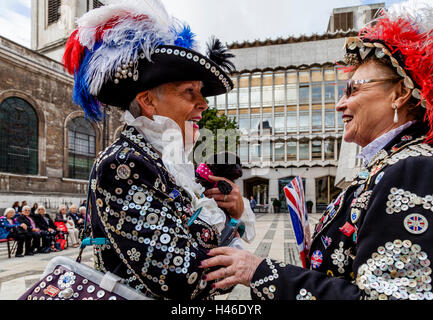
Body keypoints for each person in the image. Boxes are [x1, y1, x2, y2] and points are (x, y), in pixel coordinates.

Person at [201, 2, 433, 300]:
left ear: (400, 93)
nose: (340, 103)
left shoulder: (412, 169)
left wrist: (260, 271)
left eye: (353, 89)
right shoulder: (386, 165)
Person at [62, 0, 245, 300]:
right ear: (148, 101)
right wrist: (230, 238)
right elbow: (186, 278)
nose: (204, 103)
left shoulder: (165, 163)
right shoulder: (123, 163)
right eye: (190, 92)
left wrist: (232, 216)